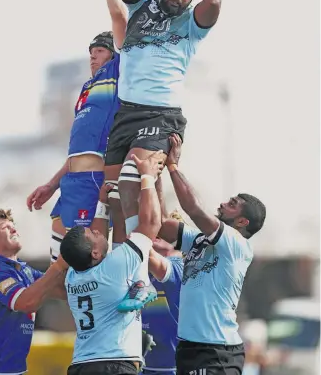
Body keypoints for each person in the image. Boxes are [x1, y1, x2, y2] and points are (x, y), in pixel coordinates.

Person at [103, 0, 222, 310]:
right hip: (127, 113)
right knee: (115, 197)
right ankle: (139, 268)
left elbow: (215, 2)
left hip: (162, 113)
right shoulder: (143, 5)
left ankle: (139, 278)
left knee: (141, 174)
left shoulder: (191, 25)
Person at [26, 0, 127, 262]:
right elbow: (76, 150)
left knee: (87, 260)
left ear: (112, 53)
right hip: (71, 181)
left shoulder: (120, 71)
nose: (93, 57)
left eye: (99, 51)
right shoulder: (86, 90)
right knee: (60, 264)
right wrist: (52, 184)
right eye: (91, 52)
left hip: (95, 180)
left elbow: (118, 16)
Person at [158, 134, 267, 375]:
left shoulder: (235, 243)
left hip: (217, 352)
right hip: (189, 348)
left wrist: (172, 166)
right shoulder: (199, 239)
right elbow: (160, 224)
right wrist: (153, 174)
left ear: (242, 221)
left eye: (232, 203)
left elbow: (194, 209)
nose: (222, 204)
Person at [60, 150, 163, 375]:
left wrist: (103, 205)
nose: (99, 232)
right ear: (95, 253)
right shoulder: (111, 268)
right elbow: (152, 223)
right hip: (113, 365)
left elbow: (99, 239)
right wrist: (148, 177)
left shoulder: (73, 276)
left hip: (81, 365)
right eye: (94, 235)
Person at [0, 209, 68, 375]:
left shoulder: (22, 269)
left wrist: (77, 261)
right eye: (6, 228)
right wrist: (58, 265)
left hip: (9, 370)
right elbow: (26, 302)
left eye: (13, 226)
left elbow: (60, 289)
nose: (14, 230)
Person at [140, 224, 184, 375]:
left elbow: (141, 244)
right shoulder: (139, 269)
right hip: (140, 366)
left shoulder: (179, 267)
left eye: (165, 233)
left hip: (171, 368)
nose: (157, 234)